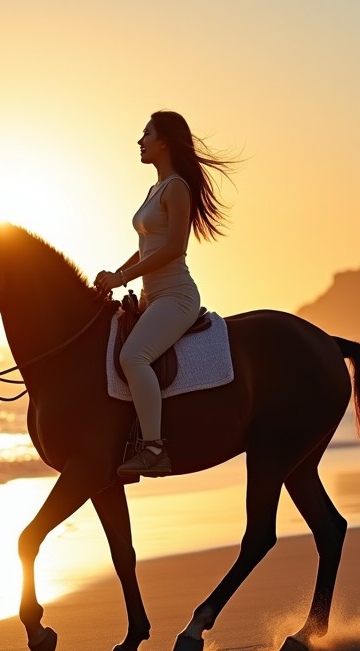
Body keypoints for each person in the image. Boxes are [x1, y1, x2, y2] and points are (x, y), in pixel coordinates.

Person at [94, 110, 235, 477]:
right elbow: (146, 249)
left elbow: (173, 248)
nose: (140, 141)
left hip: (177, 296)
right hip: (152, 297)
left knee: (133, 357)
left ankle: (154, 448)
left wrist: (122, 275)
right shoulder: (154, 189)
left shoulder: (176, 187)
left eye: (146, 134)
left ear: (164, 142)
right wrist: (115, 275)